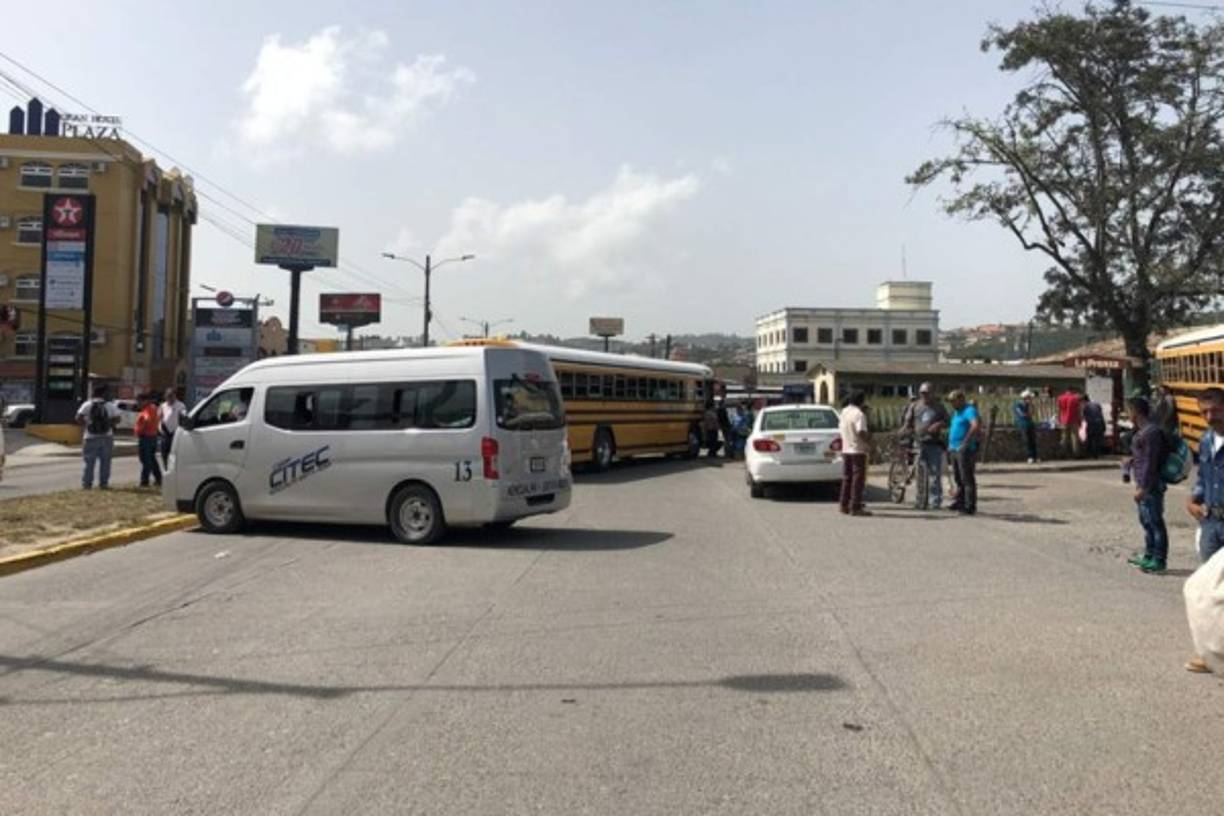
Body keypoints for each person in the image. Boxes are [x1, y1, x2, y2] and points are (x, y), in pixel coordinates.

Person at [1185, 387, 1224, 673]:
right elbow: (1203, 476)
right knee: (1210, 591)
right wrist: (1193, 499)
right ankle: (1213, 651)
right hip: (1211, 522)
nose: (1210, 417)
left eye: (1216, 411)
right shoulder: (1206, 440)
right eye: (1205, 412)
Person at [1124, 397, 1167, 574]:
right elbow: (1142, 457)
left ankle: (1159, 558)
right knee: (1146, 521)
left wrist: (1144, 488)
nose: (1128, 414)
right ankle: (1149, 554)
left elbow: (1150, 461)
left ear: (1136, 411)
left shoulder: (1151, 432)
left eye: (1129, 410)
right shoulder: (1141, 431)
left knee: (1155, 521)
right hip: (1142, 483)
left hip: (1151, 485)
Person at [75, 384, 121, 490]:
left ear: (93, 394)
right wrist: (108, 424)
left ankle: (87, 484)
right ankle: (103, 484)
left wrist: (88, 424)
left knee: (89, 462)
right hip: (107, 437)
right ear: (104, 394)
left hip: (90, 437)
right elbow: (118, 419)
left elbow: (78, 418)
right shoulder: (110, 405)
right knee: (105, 462)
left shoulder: (87, 405)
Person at [912, 382, 949, 510]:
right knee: (919, 474)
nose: (924, 396)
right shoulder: (915, 406)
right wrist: (905, 430)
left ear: (933, 393)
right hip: (919, 442)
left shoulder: (939, 407)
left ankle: (935, 501)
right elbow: (908, 421)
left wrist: (939, 424)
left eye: (927, 393)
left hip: (934, 443)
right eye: (922, 393)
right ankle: (920, 499)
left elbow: (947, 421)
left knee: (935, 474)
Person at [947, 390, 981, 515]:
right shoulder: (956, 412)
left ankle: (969, 505)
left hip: (964, 449)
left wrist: (965, 442)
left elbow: (975, 425)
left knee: (966, 477)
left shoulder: (969, 410)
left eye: (953, 401)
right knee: (958, 477)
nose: (952, 404)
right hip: (954, 448)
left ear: (961, 399)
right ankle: (960, 501)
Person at [838, 391, 871, 516]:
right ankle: (855, 506)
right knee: (858, 479)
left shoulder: (844, 412)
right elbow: (861, 431)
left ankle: (844, 504)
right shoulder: (859, 414)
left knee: (847, 478)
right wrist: (869, 442)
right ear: (861, 401)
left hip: (846, 448)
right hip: (857, 449)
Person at [134, 392, 163, 488]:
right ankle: (158, 478)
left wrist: (141, 429)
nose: (137, 403)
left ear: (144, 401)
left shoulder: (147, 410)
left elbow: (147, 420)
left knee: (145, 459)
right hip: (152, 436)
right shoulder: (153, 408)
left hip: (146, 437)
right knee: (151, 459)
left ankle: (144, 481)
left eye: (138, 401)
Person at [158, 387, 188, 468]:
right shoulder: (163, 405)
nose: (169, 398)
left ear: (175, 396)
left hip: (175, 433)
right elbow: (159, 417)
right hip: (165, 433)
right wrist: (160, 428)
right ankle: (166, 469)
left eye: (171, 395)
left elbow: (184, 417)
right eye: (167, 396)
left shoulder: (181, 405)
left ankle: (173, 470)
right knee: (164, 453)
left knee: (174, 454)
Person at [1013, 389, 1038, 463]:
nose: (1030, 399)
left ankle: (1034, 456)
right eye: (1029, 398)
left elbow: (1032, 413)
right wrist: (1028, 414)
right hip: (1023, 424)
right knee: (1027, 441)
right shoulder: (1017, 405)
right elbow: (1022, 415)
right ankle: (1029, 456)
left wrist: (1031, 405)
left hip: (1030, 423)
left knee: (1033, 441)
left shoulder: (1028, 405)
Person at [1057, 387, 1082, 458]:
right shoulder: (1075, 398)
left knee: (1064, 437)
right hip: (1074, 420)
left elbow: (1059, 409)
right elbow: (1078, 410)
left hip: (1063, 420)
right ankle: (1076, 454)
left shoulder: (1060, 398)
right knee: (1074, 437)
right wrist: (1079, 420)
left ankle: (1062, 453)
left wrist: (1059, 419)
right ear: (1072, 391)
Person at [1081, 393, 1107, 458]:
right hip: (1100, 423)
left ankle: (1092, 454)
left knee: (1090, 438)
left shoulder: (1086, 406)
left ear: (1084, 400)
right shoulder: (1096, 404)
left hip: (1092, 424)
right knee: (1097, 439)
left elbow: (1084, 417)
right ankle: (1097, 454)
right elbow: (1101, 414)